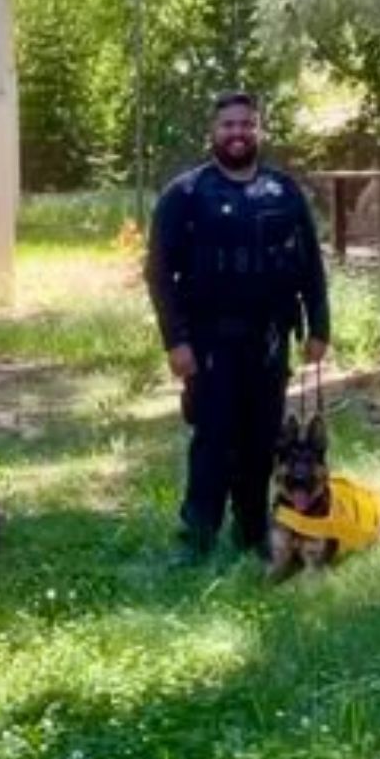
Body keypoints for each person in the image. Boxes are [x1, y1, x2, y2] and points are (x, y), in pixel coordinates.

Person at [145, 91, 333, 564]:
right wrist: (176, 342)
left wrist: (319, 326)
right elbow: (159, 272)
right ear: (213, 131)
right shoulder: (186, 194)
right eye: (228, 125)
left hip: (269, 342)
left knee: (261, 440)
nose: (237, 133)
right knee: (213, 440)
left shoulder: (284, 192)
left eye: (246, 124)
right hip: (209, 343)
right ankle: (198, 538)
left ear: (259, 129)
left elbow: (310, 263)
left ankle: (253, 534)